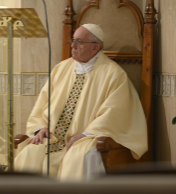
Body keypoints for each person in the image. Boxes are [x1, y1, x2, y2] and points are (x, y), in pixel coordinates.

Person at [14, 24, 148, 181]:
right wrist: (41, 127)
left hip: (86, 138)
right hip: (53, 137)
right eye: (73, 40)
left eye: (79, 41)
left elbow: (116, 111)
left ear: (94, 47)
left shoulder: (113, 74)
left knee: (81, 156)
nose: (73, 45)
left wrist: (85, 134)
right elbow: (43, 102)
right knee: (30, 153)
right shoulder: (61, 68)